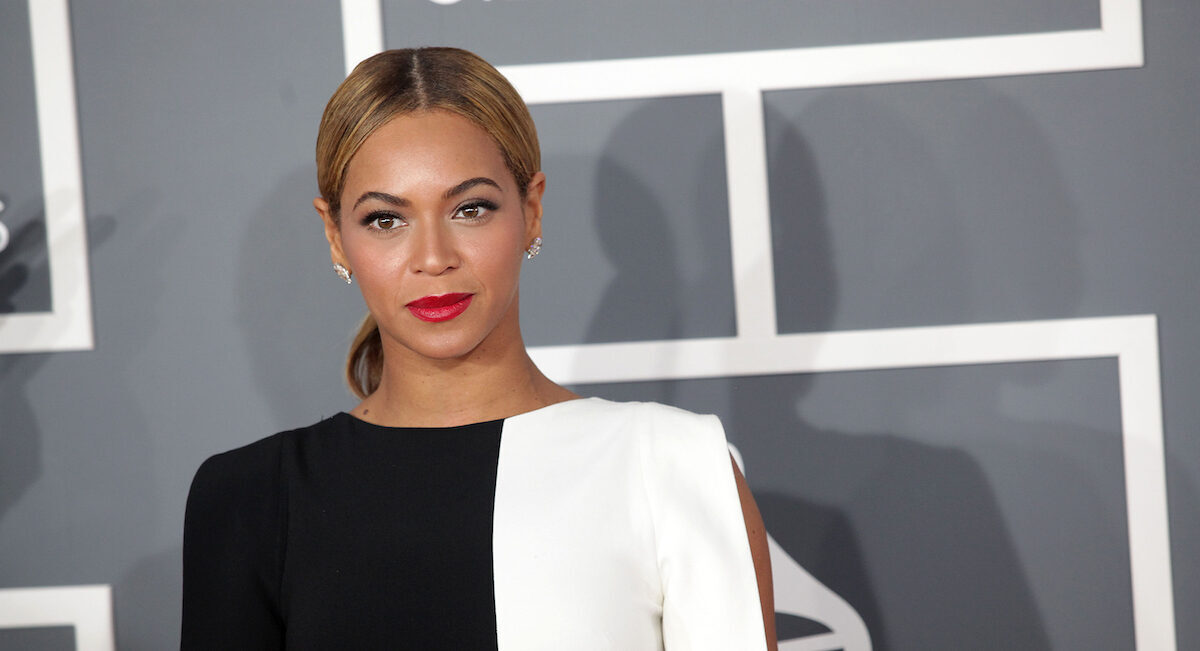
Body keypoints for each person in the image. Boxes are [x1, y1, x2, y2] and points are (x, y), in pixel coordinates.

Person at [182, 46, 777, 650]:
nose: (434, 257)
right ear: (335, 236)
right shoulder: (248, 498)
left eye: (471, 208)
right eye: (386, 220)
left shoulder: (671, 467)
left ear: (533, 210)